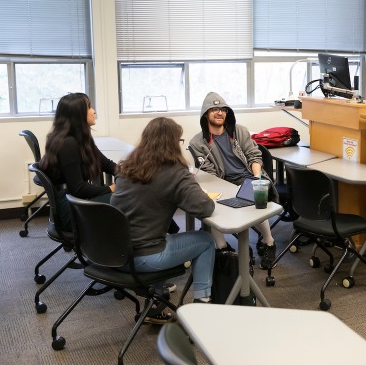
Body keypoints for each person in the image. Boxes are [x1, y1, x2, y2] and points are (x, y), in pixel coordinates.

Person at [111, 117, 216, 323]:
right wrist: (192, 186)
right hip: (143, 258)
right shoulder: (175, 173)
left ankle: (155, 305)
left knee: (162, 235)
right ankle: (203, 307)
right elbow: (204, 208)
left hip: (112, 254)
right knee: (206, 241)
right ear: (173, 144)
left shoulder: (127, 168)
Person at [189, 92, 278, 269]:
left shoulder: (239, 131)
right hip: (222, 182)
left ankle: (269, 242)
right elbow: (209, 173)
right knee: (208, 206)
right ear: (205, 114)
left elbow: (254, 156)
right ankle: (224, 248)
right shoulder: (198, 143)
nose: (219, 113)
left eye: (223, 109)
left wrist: (256, 179)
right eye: (214, 109)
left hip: (247, 177)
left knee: (254, 197)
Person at [40, 92, 117, 232]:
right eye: (89, 107)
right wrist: (110, 189)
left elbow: (106, 164)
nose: (93, 111)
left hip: (76, 200)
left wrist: (131, 172)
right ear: (78, 115)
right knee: (130, 199)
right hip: (71, 208)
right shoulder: (67, 144)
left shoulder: (80, 138)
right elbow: (78, 188)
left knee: (132, 197)